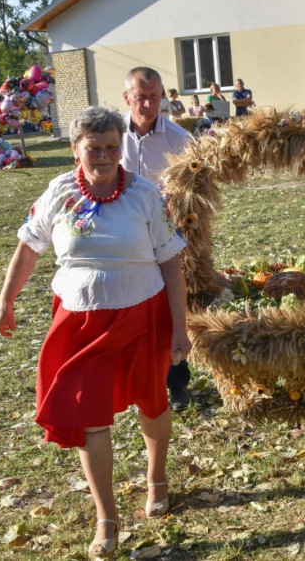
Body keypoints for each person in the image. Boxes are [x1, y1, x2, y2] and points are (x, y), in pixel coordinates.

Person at [0, 107, 190, 557]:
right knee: (88, 414)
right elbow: (28, 248)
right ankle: (108, 517)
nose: (104, 156)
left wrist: (180, 328)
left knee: (152, 401)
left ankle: (157, 478)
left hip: (142, 314)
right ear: (75, 147)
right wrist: (6, 301)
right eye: (93, 147)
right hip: (79, 320)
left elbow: (172, 265)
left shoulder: (145, 194)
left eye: (112, 147)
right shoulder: (58, 192)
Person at [120, 67, 195, 410]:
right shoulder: (110, 135)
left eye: (155, 96)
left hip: (166, 233)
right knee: (129, 305)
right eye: (141, 97)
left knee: (171, 305)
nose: (149, 104)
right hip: (121, 235)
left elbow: (195, 189)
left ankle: (177, 383)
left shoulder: (179, 140)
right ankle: (132, 381)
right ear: (127, 98)